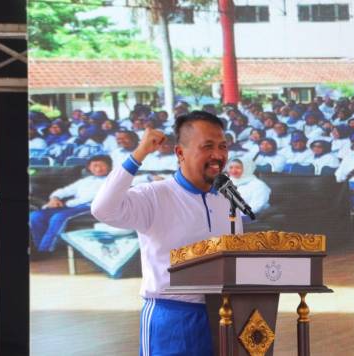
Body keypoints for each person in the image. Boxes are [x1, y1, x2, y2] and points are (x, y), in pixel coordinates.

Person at [91, 111, 241, 356]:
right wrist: (139, 154)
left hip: (223, 314)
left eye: (223, 147)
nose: (218, 155)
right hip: (172, 317)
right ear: (180, 153)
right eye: (208, 147)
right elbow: (102, 209)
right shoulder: (153, 195)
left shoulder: (227, 196)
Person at [29, 155, 112, 252]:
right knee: (36, 216)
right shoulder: (85, 181)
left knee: (58, 217)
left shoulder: (112, 180)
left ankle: (45, 250)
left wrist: (67, 203)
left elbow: (93, 197)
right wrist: (54, 198)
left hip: (89, 207)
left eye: (102, 165)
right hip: (72, 206)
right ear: (89, 168)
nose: (98, 169)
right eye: (95, 166)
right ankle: (39, 248)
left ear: (110, 167)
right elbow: (65, 190)